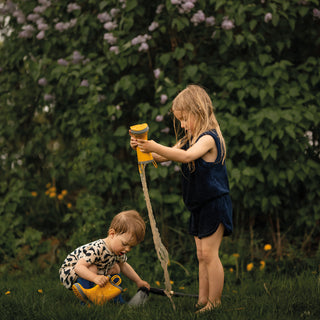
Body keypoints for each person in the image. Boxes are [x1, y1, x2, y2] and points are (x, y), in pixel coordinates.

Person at [130, 85, 233, 313]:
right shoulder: (190, 138)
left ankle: (215, 303)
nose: (183, 125)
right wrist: (144, 149)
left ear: (198, 111)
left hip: (214, 203)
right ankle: (202, 300)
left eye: (185, 119)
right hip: (198, 204)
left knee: (209, 254)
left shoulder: (208, 138)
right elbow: (166, 156)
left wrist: (154, 145)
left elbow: (186, 157)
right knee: (200, 255)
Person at [59, 210, 150, 304]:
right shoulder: (98, 248)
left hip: (89, 269)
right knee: (92, 267)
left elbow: (124, 266)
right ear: (112, 234)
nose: (127, 249)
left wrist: (139, 281)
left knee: (116, 267)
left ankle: (116, 300)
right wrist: (95, 278)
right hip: (71, 271)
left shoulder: (118, 251)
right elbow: (79, 267)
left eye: (131, 246)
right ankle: (87, 300)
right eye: (125, 244)